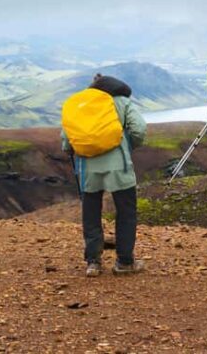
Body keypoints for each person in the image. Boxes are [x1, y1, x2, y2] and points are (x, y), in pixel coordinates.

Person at [62, 74, 147, 277]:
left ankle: (93, 262)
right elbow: (139, 129)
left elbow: (67, 137)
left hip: (87, 167)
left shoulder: (81, 103)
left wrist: (71, 149)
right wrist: (127, 146)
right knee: (126, 211)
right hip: (119, 166)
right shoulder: (122, 102)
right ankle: (124, 262)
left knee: (91, 212)